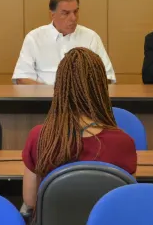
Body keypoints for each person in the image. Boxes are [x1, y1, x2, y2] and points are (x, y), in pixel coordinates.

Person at [21, 48, 137, 215]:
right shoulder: (123, 142)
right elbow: (127, 201)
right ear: (101, 87)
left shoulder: (39, 136)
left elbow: (30, 201)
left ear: (60, 86)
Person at [13, 0, 115, 85]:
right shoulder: (34, 38)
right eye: (65, 13)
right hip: (44, 101)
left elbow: (107, 77)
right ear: (52, 15)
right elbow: (22, 78)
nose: (73, 18)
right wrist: (55, 96)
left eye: (75, 12)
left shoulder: (91, 37)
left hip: (82, 102)